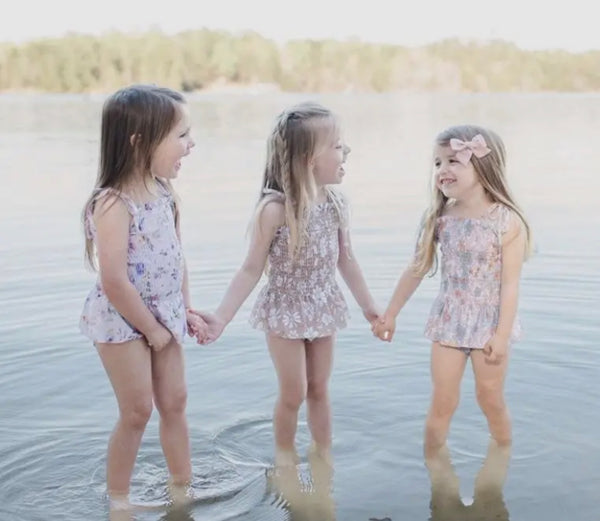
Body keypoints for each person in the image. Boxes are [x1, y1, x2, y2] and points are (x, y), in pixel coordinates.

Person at [197, 101, 379, 466]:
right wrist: (221, 317)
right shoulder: (275, 210)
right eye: (338, 145)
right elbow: (250, 269)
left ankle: (323, 459)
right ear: (311, 158)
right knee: (293, 392)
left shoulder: (336, 204)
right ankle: (284, 458)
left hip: (323, 303)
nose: (347, 151)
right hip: (285, 309)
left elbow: (347, 260)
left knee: (319, 389)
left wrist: (371, 309)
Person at [79, 84, 207, 511]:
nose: (190, 146)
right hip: (123, 320)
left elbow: (176, 257)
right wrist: (151, 329)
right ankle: (119, 500)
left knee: (176, 401)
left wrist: (185, 309)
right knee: (137, 410)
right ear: (139, 142)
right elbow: (114, 280)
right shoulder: (114, 203)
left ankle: (183, 488)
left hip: (164, 317)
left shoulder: (164, 192)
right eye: (182, 136)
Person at [373, 125, 531, 457]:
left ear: (483, 166)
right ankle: (435, 472)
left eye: (452, 162)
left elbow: (510, 285)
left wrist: (501, 336)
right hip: (449, 322)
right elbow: (417, 268)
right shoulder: (440, 216)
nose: (442, 171)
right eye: (437, 163)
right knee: (442, 399)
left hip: (489, 324)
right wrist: (390, 314)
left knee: (489, 398)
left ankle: (502, 458)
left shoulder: (506, 221)